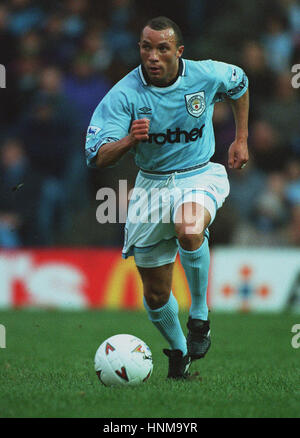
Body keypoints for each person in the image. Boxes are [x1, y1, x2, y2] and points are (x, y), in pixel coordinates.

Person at [85, 16, 249, 379]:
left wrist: (241, 138)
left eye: (162, 48)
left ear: (179, 51)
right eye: (146, 47)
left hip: (198, 174)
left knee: (190, 227)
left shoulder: (205, 74)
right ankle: (179, 356)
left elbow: (240, 83)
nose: (153, 56)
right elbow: (95, 156)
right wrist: (128, 141)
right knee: (157, 294)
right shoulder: (125, 94)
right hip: (151, 186)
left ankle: (200, 318)